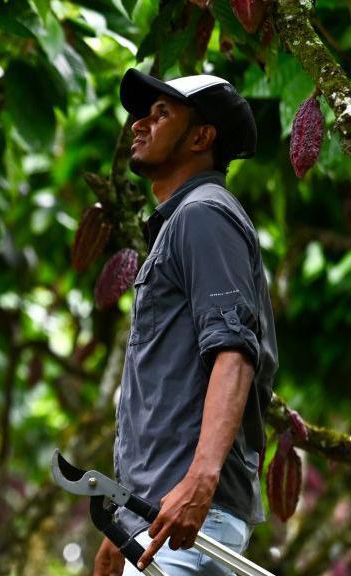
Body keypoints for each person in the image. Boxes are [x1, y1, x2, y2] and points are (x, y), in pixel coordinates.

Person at [93, 69, 279, 576]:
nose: (138, 124)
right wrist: (123, 523)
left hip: (190, 524)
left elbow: (235, 353)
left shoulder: (204, 214)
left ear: (201, 136)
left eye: (161, 113)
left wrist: (200, 483)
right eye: (142, 112)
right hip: (162, 522)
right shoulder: (183, 222)